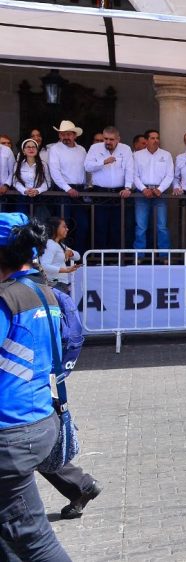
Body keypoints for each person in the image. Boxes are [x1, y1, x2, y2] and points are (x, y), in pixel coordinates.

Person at [0, 213, 72, 561]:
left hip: (10, 433)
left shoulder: (6, 298)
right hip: (40, 420)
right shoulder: (45, 293)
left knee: (37, 544)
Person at [83, 126, 133, 251]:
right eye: (105, 139)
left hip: (119, 192)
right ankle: (99, 258)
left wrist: (128, 187)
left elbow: (130, 169)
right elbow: (87, 166)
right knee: (99, 226)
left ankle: (115, 258)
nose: (108, 142)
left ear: (118, 139)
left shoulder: (125, 149)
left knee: (117, 226)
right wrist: (103, 162)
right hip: (100, 192)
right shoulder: (95, 148)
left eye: (111, 139)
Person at [46, 120, 89, 254]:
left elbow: (86, 170)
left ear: (75, 135)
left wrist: (87, 187)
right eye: (63, 134)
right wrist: (67, 188)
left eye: (68, 134)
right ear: (59, 136)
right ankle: (61, 256)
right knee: (62, 227)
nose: (66, 137)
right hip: (63, 191)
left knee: (82, 225)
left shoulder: (81, 149)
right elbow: (55, 172)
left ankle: (79, 255)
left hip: (79, 190)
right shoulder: (55, 149)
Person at [131, 129, 173, 255]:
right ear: (146, 140)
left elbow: (169, 175)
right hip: (141, 192)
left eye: (157, 138)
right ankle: (139, 256)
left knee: (162, 227)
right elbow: (134, 175)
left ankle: (164, 256)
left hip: (160, 192)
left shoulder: (166, 155)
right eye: (152, 138)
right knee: (141, 227)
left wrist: (160, 189)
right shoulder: (137, 155)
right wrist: (144, 189)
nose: (156, 141)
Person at [12, 138, 51, 219]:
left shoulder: (43, 165)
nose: (31, 149)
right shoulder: (18, 164)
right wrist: (25, 190)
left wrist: (37, 190)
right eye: (28, 147)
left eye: (34, 147)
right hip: (22, 198)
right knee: (22, 223)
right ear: (23, 151)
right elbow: (15, 181)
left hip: (39, 198)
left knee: (39, 224)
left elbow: (47, 182)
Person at [40, 217, 80, 295]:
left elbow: (77, 256)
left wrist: (70, 252)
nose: (67, 229)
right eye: (64, 226)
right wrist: (66, 270)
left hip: (59, 284)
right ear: (55, 228)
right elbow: (44, 266)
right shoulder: (50, 244)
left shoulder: (60, 245)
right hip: (55, 284)